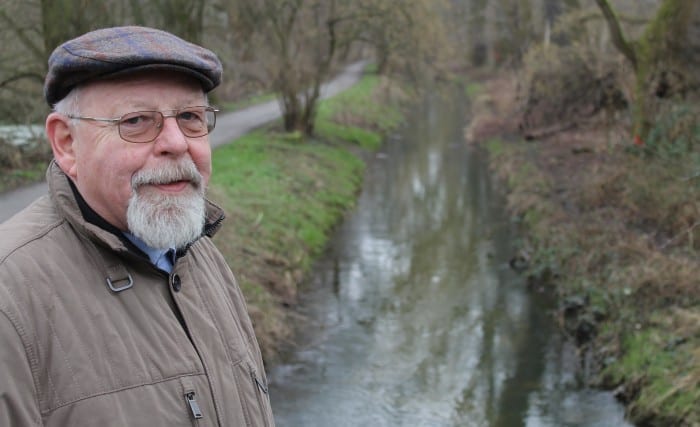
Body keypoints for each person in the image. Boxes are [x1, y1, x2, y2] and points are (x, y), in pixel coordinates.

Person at [0, 26, 275, 426]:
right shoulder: (11, 299)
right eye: (137, 121)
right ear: (66, 143)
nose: (177, 142)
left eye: (190, 117)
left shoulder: (199, 256)